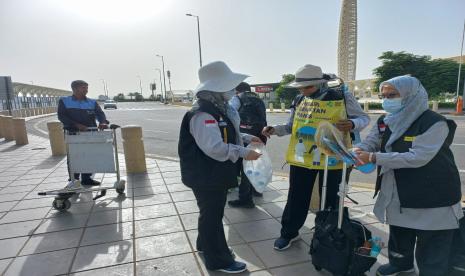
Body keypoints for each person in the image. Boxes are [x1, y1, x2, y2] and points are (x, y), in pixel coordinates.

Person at [354, 75, 463, 276]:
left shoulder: (434, 122)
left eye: (392, 95)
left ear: (411, 95)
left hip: (432, 191)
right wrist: (358, 150)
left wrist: (373, 157)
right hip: (398, 186)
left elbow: (418, 157)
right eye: (384, 95)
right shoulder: (385, 120)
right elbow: (372, 140)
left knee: (431, 241)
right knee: (399, 230)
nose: (387, 100)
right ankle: (401, 263)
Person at [262, 64, 369, 251]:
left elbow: (363, 119)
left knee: (331, 199)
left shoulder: (342, 97)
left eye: (308, 87)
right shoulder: (299, 99)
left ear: (320, 84)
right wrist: (275, 130)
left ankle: (327, 234)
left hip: (333, 157)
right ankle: (289, 233)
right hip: (303, 157)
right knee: (297, 196)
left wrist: (352, 123)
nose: (304, 90)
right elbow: (290, 126)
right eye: (301, 87)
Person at [178, 61, 262, 273]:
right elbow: (214, 147)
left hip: (212, 173)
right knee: (212, 215)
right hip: (205, 174)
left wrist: (245, 137)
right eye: (229, 86)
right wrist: (244, 152)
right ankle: (218, 260)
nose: (234, 90)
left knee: (209, 212)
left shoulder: (218, 108)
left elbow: (226, 133)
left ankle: (204, 245)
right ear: (215, 88)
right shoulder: (203, 114)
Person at [58, 80, 109, 186]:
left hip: (90, 133)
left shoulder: (92, 102)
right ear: (75, 89)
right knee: (74, 156)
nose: (86, 90)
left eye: (86, 87)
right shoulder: (64, 101)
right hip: (73, 133)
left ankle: (86, 178)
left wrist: (103, 122)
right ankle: (74, 179)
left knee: (89, 155)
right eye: (83, 88)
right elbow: (62, 116)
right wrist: (76, 125)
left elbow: (100, 114)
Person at [228, 82, 267, 208]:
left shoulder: (237, 98)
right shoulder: (258, 99)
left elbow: (231, 115)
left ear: (237, 90)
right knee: (255, 165)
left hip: (245, 136)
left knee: (245, 168)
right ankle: (257, 190)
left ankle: (245, 199)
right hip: (260, 135)